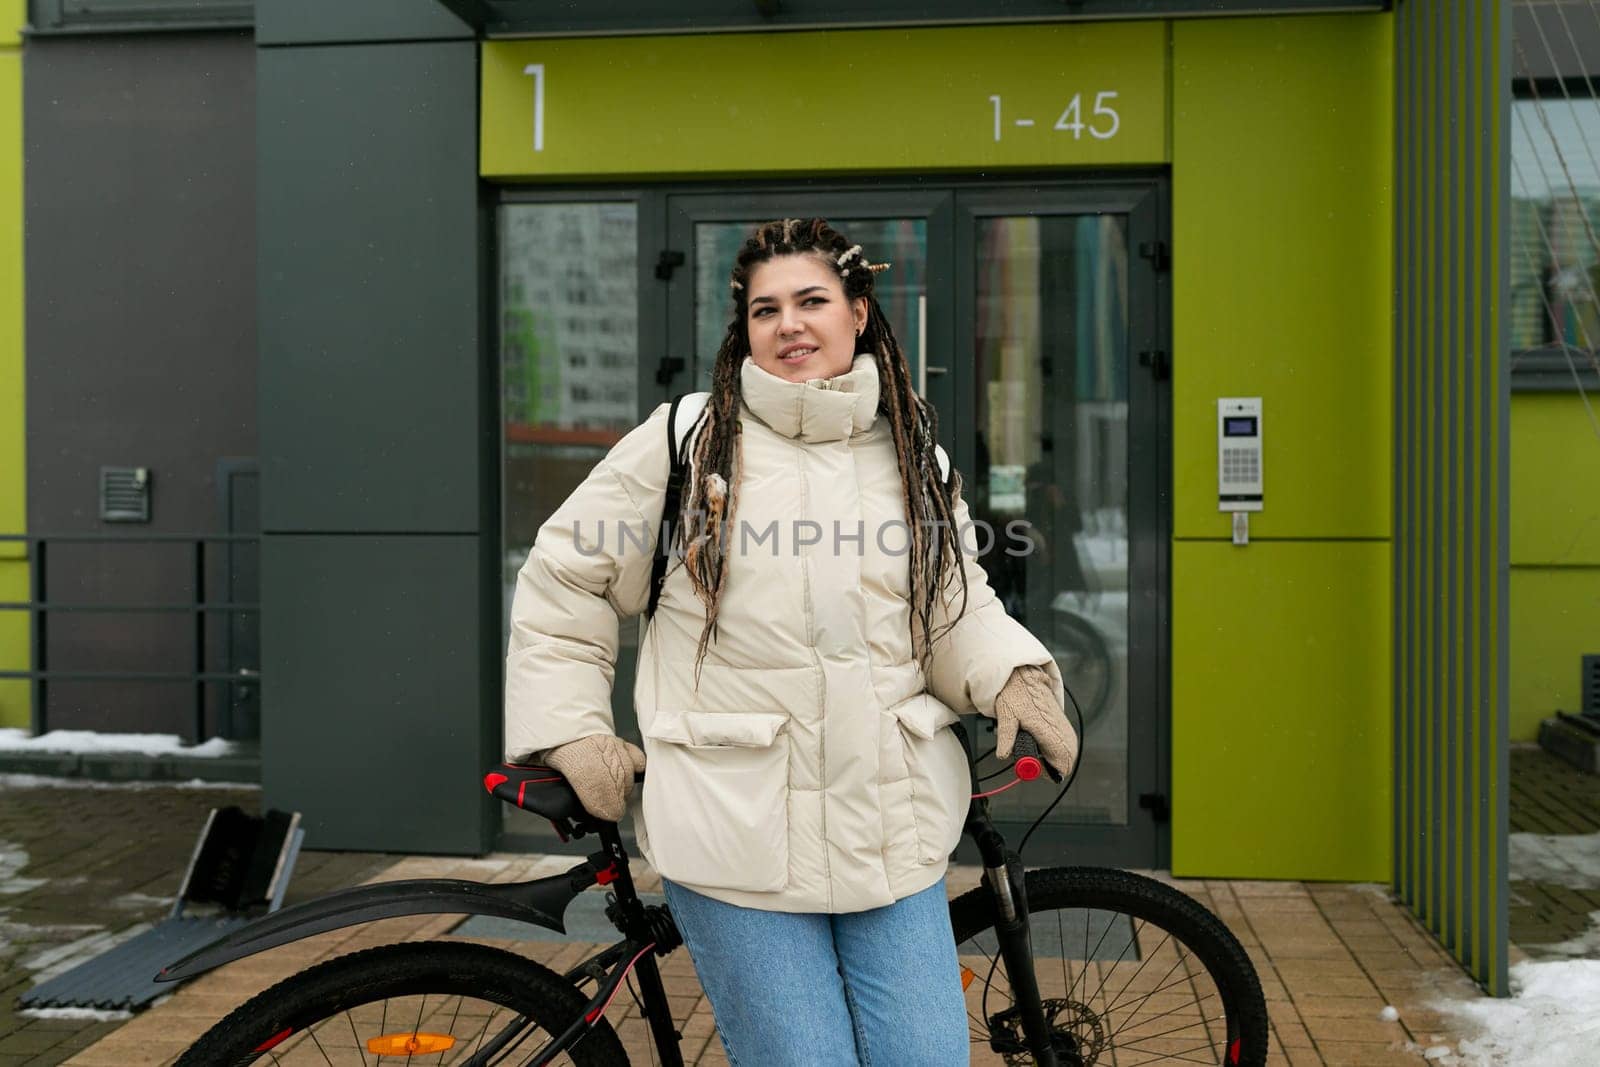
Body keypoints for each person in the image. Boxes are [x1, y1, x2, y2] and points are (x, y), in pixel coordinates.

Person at [504, 218, 1079, 1066]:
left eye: (812, 300)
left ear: (858, 311)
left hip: (893, 829)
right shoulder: (685, 444)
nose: (789, 324)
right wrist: (572, 726)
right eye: (765, 309)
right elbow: (565, 578)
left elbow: (954, 609)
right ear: (744, 329)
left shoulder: (914, 450)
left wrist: (1013, 674)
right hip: (738, 837)